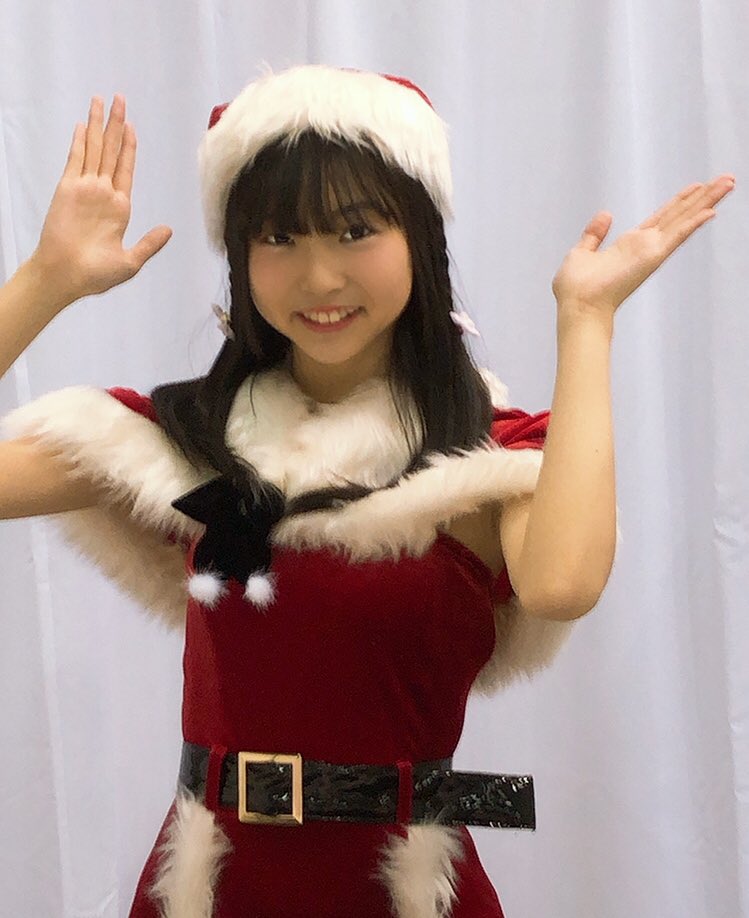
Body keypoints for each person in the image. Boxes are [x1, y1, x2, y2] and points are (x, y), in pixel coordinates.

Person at [0, 65, 734, 918]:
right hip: (214, 889)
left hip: (403, 891)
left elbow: (563, 585)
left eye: (355, 231)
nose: (319, 278)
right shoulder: (188, 444)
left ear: (418, 236)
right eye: (278, 238)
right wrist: (46, 281)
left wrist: (586, 321)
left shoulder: (486, 455)